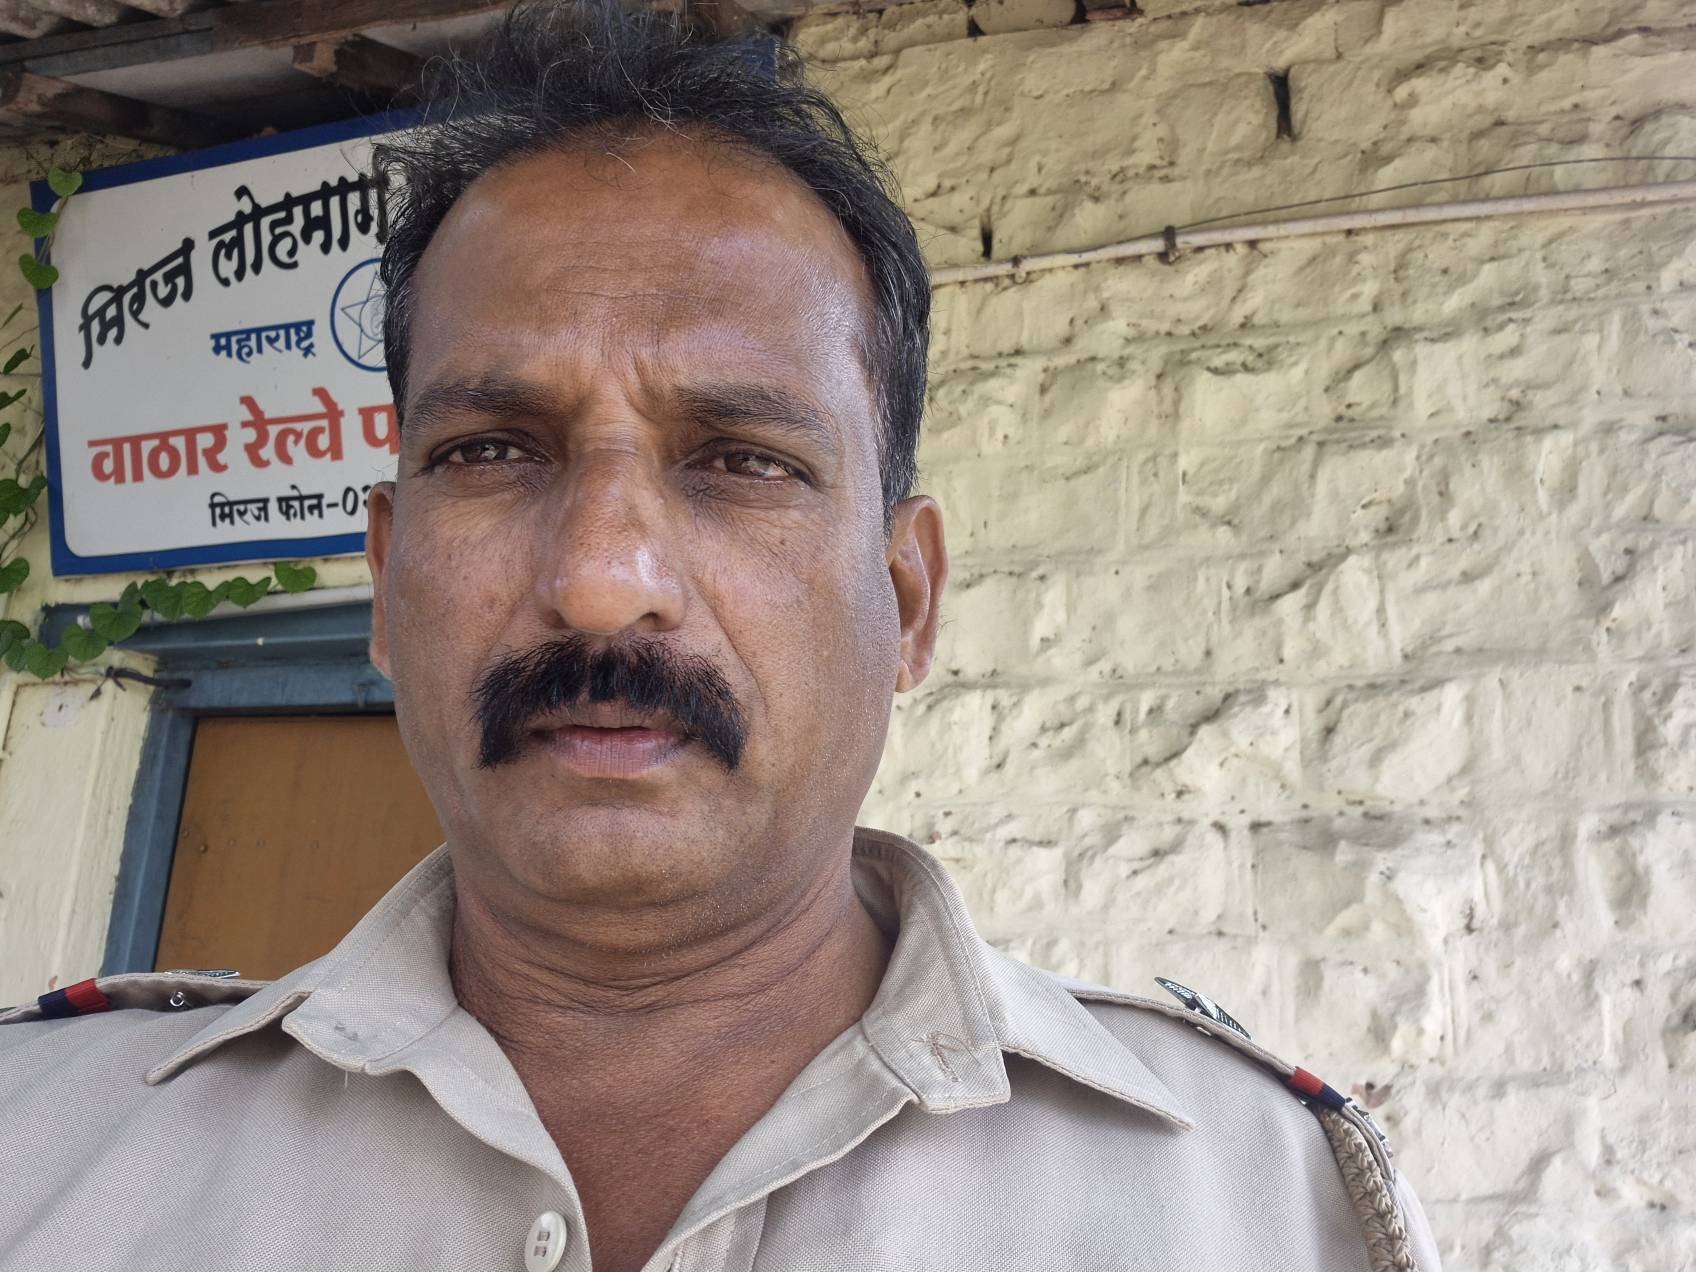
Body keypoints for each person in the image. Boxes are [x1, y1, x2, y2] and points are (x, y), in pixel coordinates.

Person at [0, 3, 1442, 1269]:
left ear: (908, 601)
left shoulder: (1266, 1208)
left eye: (742, 459)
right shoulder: (39, 1153)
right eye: (493, 451)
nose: (601, 581)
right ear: (386, 585)